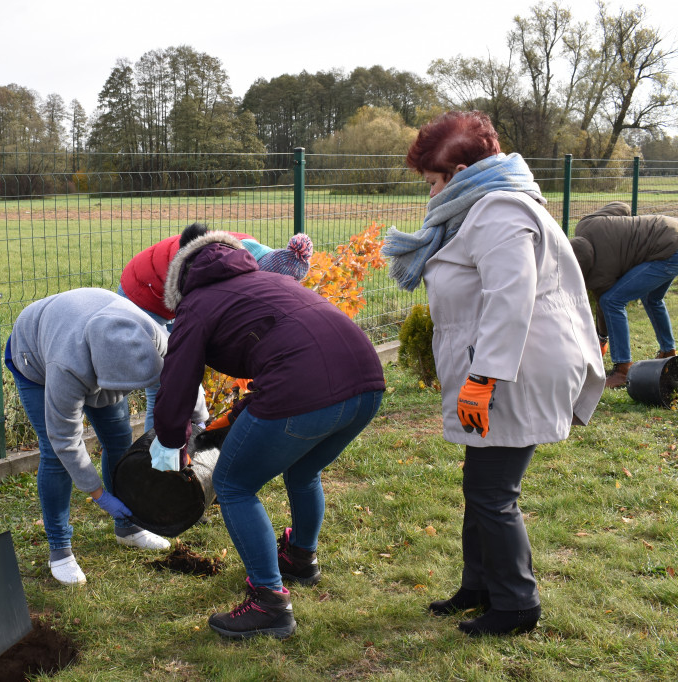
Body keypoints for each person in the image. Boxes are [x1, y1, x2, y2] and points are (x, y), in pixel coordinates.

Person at [382, 110, 605, 636]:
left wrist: (482, 381)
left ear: (459, 171)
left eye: (434, 181)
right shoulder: (482, 208)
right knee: (481, 483)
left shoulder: (501, 211)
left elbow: (510, 301)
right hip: (503, 365)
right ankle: (478, 586)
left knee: (492, 491)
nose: (431, 194)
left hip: (515, 369)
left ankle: (516, 605)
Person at [152, 231, 386, 640]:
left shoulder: (197, 304)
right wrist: (240, 413)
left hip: (307, 392)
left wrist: (170, 441)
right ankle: (299, 558)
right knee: (303, 470)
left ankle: (269, 603)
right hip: (367, 383)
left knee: (233, 484)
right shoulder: (272, 281)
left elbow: (178, 380)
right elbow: (289, 349)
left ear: (182, 277)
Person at [5, 288, 208, 585]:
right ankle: (60, 550)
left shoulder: (149, 333)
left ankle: (128, 527)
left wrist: (201, 422)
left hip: (86, 332)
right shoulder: (66, 367)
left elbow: (183, 378)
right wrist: (99, 495)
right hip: (33, 351)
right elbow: (65, 440)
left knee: (119, 442)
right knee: (54, 455)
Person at [119, 225, 312, 430]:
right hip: (145, 292)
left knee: (184, 380)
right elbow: (196, 327)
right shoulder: (214, 270)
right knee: (164, 387)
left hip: (179, 293)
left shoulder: (246, 254)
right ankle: (154, 455)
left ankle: (188, 444)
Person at [569, 201, 678, 388]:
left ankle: (622, 370)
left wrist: (601, 338)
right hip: (669, 231)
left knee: (612, 301)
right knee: (652, 298)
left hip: (667, 249)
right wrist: (627, 234)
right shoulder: (586, 224)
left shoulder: (601, 270)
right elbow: (622, 206)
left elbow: (604, 304)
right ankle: (668, 353)